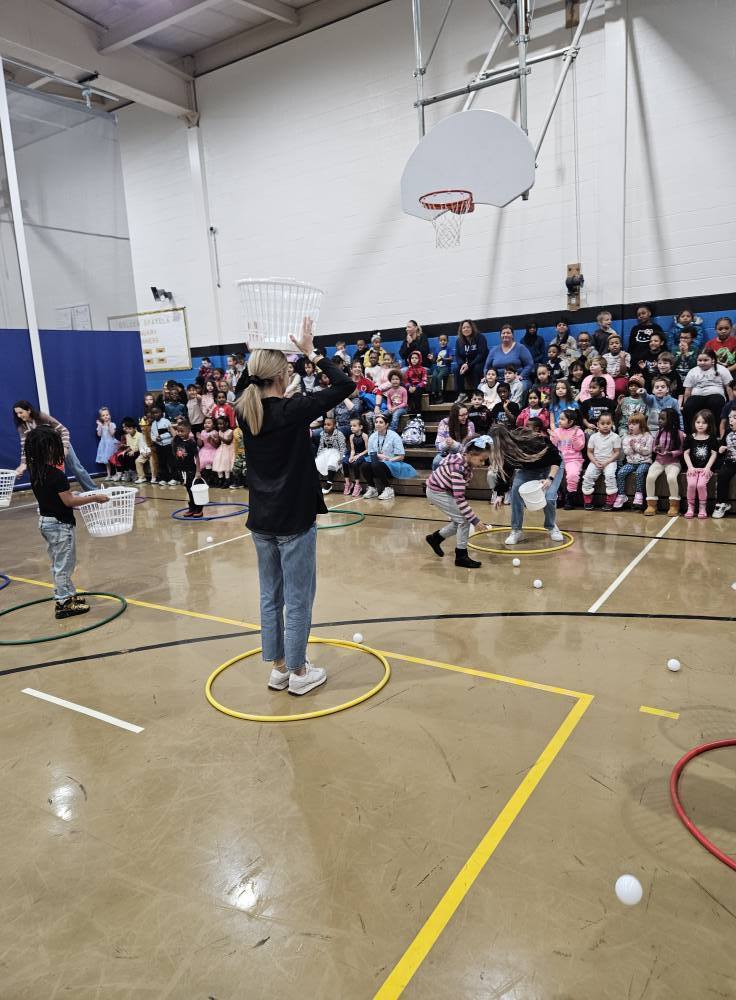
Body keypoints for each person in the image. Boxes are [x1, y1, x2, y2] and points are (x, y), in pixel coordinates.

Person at [235, 318, 353, 696]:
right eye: (286, 371)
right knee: (298, 600)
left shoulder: (244, 409)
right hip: (293, 522)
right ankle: (300, 672)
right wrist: (310, 352)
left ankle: (280, 668)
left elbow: (246, 382)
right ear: (281, 377)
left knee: (271, 597)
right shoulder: (293, 410)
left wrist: (252, 353)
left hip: (261, 522)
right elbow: (346, 386)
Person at [24, 425, 109, 619]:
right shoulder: (56, 475)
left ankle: (69, 596)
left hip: (46, 522)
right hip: (60, 525)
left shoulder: (36, 471)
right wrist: (94, 497)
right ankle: (63, 602)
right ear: (49, 449)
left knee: (59, 562)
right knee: (64, 565)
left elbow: (57, 496)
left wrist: (74, 494)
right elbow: (68, 501)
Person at [424, 436, 496, 569]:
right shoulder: (458, 468)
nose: (482, 464)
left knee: (460, 520)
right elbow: (460, 498)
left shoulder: (465, 460)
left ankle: (435, 538)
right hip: (436, 491)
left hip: (443, 490)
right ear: (470, 454)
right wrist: (474, 520)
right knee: (464, 520)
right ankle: (461, 556)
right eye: (481, 460)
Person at [500, 419, 564, 544]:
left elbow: (556, 461)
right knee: (515, 491)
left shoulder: (542, 442)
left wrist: (549, 479)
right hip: (529, 470)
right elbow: (506, 468)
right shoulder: (515, 447)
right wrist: (499, 492)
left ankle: (551, 527)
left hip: (551, 467)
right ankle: (516, 530)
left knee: (549, 497)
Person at [13, 401, 96, 492]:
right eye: (17, 413)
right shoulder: (22, 427)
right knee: (57, 474)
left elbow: (64, 431)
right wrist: (23, 464)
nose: (19, 416)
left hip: (60, 444)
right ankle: (61, 500)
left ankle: (93, 491)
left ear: (28, 410)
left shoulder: (42, 417)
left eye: (21, 412)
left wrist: (65, 447)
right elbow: (25, 446)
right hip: (47, 451)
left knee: (77, 469)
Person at [681, 348, 733, 432]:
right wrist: (685, 404)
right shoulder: (692, 371)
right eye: (700, 360)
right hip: (697, 396)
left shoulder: (722, 369)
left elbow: (728, 388)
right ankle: (690, 433)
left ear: (712, 360)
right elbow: (688, 390)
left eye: (705, 360)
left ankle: (716, 432)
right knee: (689, 405)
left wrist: (732, 404)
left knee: (716, 402)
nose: (702, 362)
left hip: (715, 396)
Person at [644, 409, 685, 516]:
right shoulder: (658, 432)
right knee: (650, 477)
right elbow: (653, 447)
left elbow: (681, 450)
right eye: (659, 418)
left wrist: (671, 453)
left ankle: (674, 505)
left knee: (671, 477)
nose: (660, 421)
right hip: (659, 461)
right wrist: (656, 448)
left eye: (663, 418)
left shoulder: (679, 434)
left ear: (671, 420)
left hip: (673, 462)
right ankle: (651, 505)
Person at [581, 412, 622, 510]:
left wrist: (606, 462)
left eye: (608, 423)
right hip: (595, 461)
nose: (605, 426)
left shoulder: (615, 437)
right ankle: (587, 501)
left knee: (610, 476)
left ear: (612, 424)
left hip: (610, 462)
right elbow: (589, 452)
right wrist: (595, 462)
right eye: (602, 423)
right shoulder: (593, 437)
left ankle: (610, 502)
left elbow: (616, 453)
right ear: (598, 424)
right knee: (588, 476)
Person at [361, 412, 406, 500]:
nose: (377, 424)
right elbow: (371, 454)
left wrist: (387, 458)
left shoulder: (394, 436)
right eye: (376, 422)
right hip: (377, 463)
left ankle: (388, 489)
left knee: (376, 465)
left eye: (381, 422)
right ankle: (372, 488)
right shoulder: (372, 436)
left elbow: (401, 457)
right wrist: (376, 456)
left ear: (386, 425)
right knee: (364, 465)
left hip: (392, 463)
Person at [683, 410, 718, 519]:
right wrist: (690, 467)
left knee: (701, 485)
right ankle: (691, 507)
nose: (700, 425)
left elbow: (714, 454)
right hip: (693, 469)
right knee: (692, 485)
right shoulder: (690, 438)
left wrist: (708, 468)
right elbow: (686, 453)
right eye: (698, 422)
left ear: (709, 424)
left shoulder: (711, 438)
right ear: (694, 423)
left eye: (704, 422)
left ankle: (702, 508)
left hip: (705, 469)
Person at [614, 412, 653, 509]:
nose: (631, 426)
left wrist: (635, 446)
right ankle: (622, 495)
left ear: (642, 425)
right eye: (630, 424)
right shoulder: (627, 437)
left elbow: (647, 451)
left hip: (645, 462)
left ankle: (639, 494)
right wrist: (632, 448)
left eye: (634, 424)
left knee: (640, 472)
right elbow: (627, 452)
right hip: (631, 462)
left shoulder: (647, 436)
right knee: (621, 473)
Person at [550, 408, 585, 509]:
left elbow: (579, 447)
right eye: (559, 418)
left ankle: (570, 498)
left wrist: (574, 437)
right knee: (552, 475)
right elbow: (553, 446)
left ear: (571, 421)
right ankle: (558, 495)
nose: (559, 421)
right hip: (559, 459)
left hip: (573, 459)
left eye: (562, 419)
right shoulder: (556, 431)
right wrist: (553, 437)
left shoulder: (578, 432)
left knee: (572, 475)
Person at [485, 323, 535, 389]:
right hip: (497, 380)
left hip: (517, 380)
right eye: (503, 333)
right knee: (480, 386)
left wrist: (521, 376)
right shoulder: (494, 350)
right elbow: (486, 367)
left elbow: (529, 364)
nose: (505, 335)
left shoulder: (520, 348)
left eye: (508, 333)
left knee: (522, 387)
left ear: (512, 335)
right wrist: (486, 377)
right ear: (500, 335)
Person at [172, 419, 203, 518]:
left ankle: (198, 508)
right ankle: (192, 508)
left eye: (182, 431)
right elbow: (172, 428)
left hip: (191, 470)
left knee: (193, 490)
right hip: (181, 470)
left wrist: (198, 471)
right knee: (188, 489)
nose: (180, 433)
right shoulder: (177, 439)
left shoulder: (191, 442)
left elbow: (197, 457)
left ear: (189, 431)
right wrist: (178, 424)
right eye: (179, 431)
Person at [433, 403, 476, 469]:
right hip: (446, 453)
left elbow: (468, 449)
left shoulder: (470, 424)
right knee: (437, 462)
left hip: (463, 454)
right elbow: (438, 447)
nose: (465, 417)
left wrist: (454, 444)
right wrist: (446, 443)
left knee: (459, 464)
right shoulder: (444, 423)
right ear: (455, 416)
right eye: (462, 415)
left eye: (466, 414)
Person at [454, 319, 488, 400]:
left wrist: (469, 365)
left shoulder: (480, 337)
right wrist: (462, 364)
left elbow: (482, 354)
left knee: (476, 368)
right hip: (467, 364)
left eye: (468, 327)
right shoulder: (459, 340)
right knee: (456, 369)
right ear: (461, 330)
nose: (466, 329)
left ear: (472, 328)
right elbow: (458, 356)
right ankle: (462, 394)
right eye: (464, 328)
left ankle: (477, 394)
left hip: (479, 362)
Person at [713, 409, 736, 518]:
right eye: (730, 417)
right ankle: (721, 504)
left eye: (735, 418)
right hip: (730, 462)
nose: (731, 420)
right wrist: (721, 448)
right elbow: (720, 446)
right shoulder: (727, 432)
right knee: (722, 475)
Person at [315, 414, 346, 495]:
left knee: (332, 462)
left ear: (334, 426)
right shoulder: (322, 433)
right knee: (316, 462)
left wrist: (341, 458)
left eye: (328, 425)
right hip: (327, 451)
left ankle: (329, 483)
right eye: (325, 424)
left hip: (337, 452)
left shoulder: (339, 434)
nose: (326, 426)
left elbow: (343, 447)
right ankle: (314, 483)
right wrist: (318, 456)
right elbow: (321, 446)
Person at [343, 415, 368, 497]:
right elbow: (353, 449)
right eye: (351, 426)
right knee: (345, 462)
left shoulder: (364, 436)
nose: (352, 428)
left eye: (354, 426)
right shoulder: (351, 436)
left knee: (355, 464)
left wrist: (358, 456)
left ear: (360, 427)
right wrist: (351, 456)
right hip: (355, 454)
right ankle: (348, 483)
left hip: (363, 454)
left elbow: (367, 450)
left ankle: (357, 485)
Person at [118, 417, 149, 483]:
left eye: (130, 429)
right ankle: (127, 472)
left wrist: (133, 451)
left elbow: (139, 446)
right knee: (122, 456)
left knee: (132, 456)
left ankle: (133, 473)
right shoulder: (127, 436)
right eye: (127, 429)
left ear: (135, 428)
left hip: (139, 451)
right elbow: (129, 445)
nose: (128, 430)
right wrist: (126, 451)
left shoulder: (140, 435)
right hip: (131, 450)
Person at [211, 415, 235, 488]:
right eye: (218, 424)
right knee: (219, 463)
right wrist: (213, 439)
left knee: (226, 465)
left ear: (227, 423)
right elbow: (218, 443)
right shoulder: (219, 432)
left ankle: (227, 480)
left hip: (228, 450)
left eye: (221, 424)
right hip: (221, 450)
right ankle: (220, 479)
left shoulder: (231, 431)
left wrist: (220, 437)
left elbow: (228, 442)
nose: (219, 426)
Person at [95, 407, 118, 480]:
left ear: (110, 415)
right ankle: (109, 475)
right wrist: (99, 426)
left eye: (107, 415)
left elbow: (112, 434)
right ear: (101, 417)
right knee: (106, 461)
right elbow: (99, 434)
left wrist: (108, 425)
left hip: (111, 444)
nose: (106, 416)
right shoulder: (101, 425)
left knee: (114, 460)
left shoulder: (112, 424)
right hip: (104, 444)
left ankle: (117, 473)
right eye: (103, 415)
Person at [429, 334, 452, 402]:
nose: (442, 342)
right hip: (437, 367)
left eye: (444, 340)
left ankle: (440, 394)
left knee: (439, 377)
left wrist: (443, 359)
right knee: (434, 376)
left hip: (445, 367)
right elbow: (434, 361)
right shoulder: (437, 349)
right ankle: (433, 394)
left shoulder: (449, 348)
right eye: (441, 340)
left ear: (447, 341)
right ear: (439, 341)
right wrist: (431, 358)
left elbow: (451, 358)